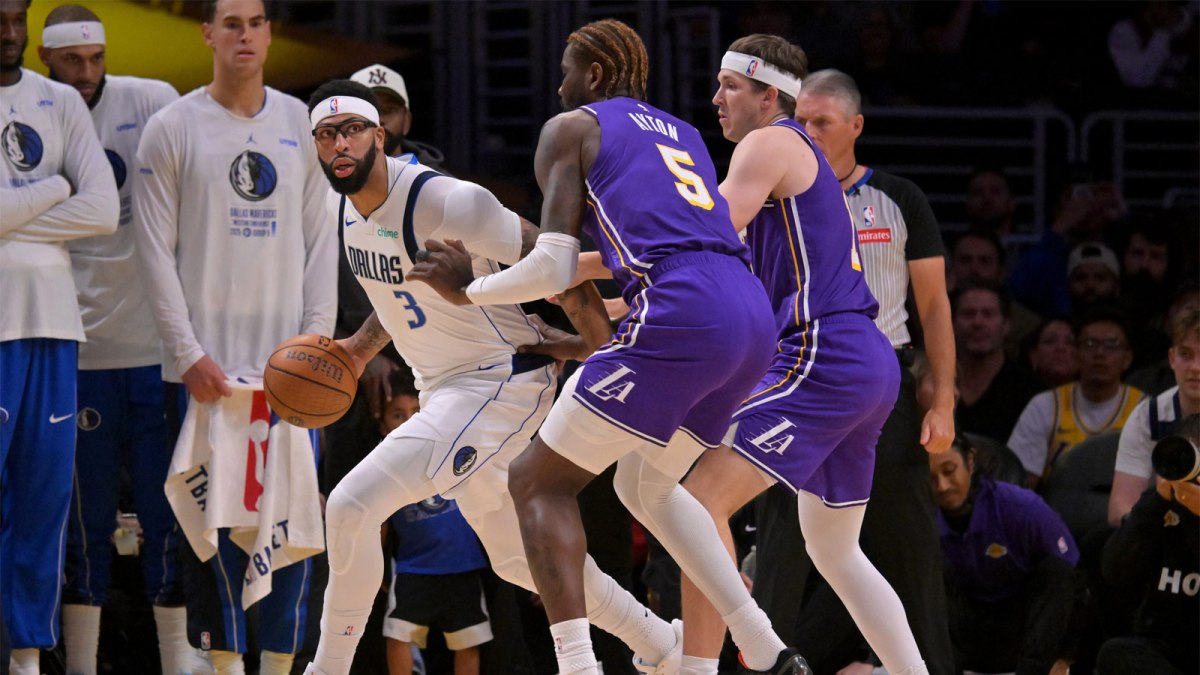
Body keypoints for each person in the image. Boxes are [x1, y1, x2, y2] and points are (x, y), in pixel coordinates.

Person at [406, 20, 790, 675]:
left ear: (600, 75)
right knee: (650, 484)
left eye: (568, 70)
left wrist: (470, 288)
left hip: (680, 309)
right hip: (749, 316)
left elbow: (552, 268)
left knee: (535, 481)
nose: (559, 86)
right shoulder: (689, 136)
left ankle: (578, 665)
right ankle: (763, 643)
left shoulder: (574, 128)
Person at [301, 78, 682, 675]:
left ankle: (326, 669)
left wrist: (601, 353)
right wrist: (356, 348)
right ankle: (662, 645)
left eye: (350, 129)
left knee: (350, 504)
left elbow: (553, 263)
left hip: (500, 381)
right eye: (326, 135)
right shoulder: (340, 209)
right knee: (515, 559)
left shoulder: (445, 200)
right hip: (444, 389)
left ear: (379, 135)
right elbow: (400, 290)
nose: (339, 144)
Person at [672, 35, 928, 675]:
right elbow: (708, 271)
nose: (716, 99)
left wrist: (592, 257)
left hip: (826, 351)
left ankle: (715, 662)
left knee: (697, 503)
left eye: (731, 86)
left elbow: (702, 238)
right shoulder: (780, 169)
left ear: (768, 95)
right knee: (836, 552)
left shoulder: (771, 141)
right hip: (863, 360)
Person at [131, 1, 336, 672]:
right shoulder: (172, 127)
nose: (244, 34)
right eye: (231, 22)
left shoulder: (302, 126)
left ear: (271, 33)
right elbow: (152, 252)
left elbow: (320, 247)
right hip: (203, 377)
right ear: (208, 34)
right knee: (208, 540)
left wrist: (315, 348)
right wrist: (187, 354)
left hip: (289, 379)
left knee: (291, 532)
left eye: (256, 21)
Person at [749, 67, 956, 675]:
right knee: (783, 545)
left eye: (822, 122)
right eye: (800, 121)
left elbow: (936, 305)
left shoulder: (897, 197)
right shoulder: (771, 192)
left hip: (880, 376)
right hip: (793, 369)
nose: (808, 132)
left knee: (909, 548)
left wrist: (942, 398)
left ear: (855, 126)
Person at [35, 6, 188, 674]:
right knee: (86, 529)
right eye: (73, 61)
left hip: (159, 352)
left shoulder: (152, 101)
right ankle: (81, 665)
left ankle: (180, 663)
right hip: (82, 351)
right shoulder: (32, 119)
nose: (88, 73)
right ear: (46, 58)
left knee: (168, 518)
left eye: (95, 58)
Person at [0, 0, 119, 672]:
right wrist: (51, 186)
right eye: (0, 20)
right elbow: (75, 196)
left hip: (53, 323)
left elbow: (102, 210)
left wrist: (11, 216)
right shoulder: (57, 139)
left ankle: (26, 656)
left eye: (18, 18)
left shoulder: (59, 103)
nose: (10, 33)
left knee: (44, 498)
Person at [930, 436, 1079, 675]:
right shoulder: (920, 518)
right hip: (965, 637)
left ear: (970, 461)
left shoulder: (1023, 508)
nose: (942, 485)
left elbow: (1069, 576)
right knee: (927, 574)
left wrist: (1063, 655)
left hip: (1021, 634)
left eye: (949, 471)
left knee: (1057, 570)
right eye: (931, 477)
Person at [375, 369, 491, 675]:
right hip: (414, 568)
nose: (408, 420)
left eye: (416, 412)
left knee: (468, 642)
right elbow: (380, 524)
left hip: (463, 566)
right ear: (382, 424)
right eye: (397, 415)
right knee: (396, 635)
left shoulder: (456, 448)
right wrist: (377, 571)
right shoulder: (384, 467)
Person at [1097, 414, 1199, 675]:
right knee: (1115, 654)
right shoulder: (1158, 505)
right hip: (1163, 647)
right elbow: (1115, 572)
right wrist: (1156, 501)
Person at [1008, 310, 1145, 487]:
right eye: (1090, 344)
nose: (1099, 353)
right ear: (1076, 353)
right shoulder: (1044, 405)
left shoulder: (1145, 410)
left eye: (1111, 345)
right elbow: (1022, 483)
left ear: (1127, 359)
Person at [1108, 301, 1199, 525]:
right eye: (1185, 354)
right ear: (1171, 359)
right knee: (1096, 541)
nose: (1195, 367)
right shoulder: (1149, 416)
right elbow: (1119, 508)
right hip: (1164, 531)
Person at [951, 282, 1040, 443]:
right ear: (952, 324)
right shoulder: (929, 385)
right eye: (968, 314)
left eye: (988, 314)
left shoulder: (1031, 391)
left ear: (1006, 325)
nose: (978, 323)